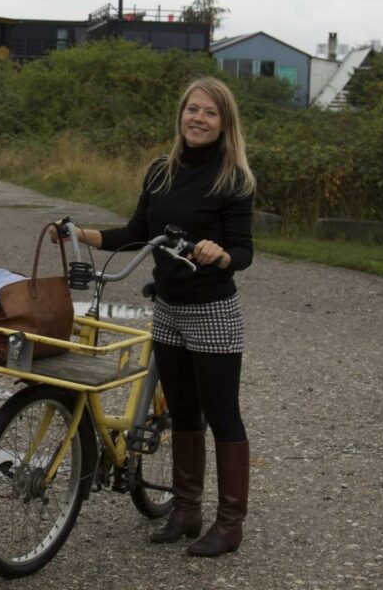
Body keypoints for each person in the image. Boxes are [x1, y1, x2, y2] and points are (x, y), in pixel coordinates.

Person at [57, 76, 255, 557]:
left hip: (212, 312)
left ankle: (230, 525)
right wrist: (79, 233)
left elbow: (244, 251)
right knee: (184, 412)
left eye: (210, 112)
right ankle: (186, 511)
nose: (199, 119)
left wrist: (220, 254)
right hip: (167, 309)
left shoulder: (234, 180)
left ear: (224, 123)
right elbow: (136, 231)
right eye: (193, 109)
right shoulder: (160, 172)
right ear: (181, 115)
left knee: (222, 416)